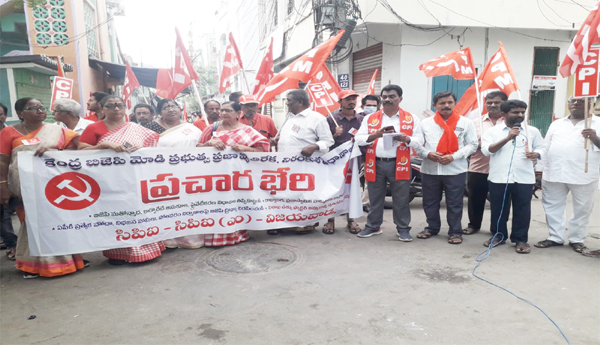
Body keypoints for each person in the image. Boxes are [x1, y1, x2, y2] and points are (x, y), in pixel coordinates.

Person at [0, 98, 88, 278]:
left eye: (42, 107)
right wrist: (3, 186)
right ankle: (35, 265)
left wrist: (58, 152)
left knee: (59, 221)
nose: (40, 111)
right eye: (33, 108)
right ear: (20, 113)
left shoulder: (56, 130)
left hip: (55, 187)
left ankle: (68, 260)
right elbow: (2, 161)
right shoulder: (9, 132)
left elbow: (80, 146)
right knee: (31, 224)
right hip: (24, 188)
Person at [78, 95, 165, 265]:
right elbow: (81, 149)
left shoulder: (135, 128)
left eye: (119, 105)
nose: (116, 109)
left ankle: (145, 251)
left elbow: (154, 150)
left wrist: (143, 149)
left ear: (125, 108)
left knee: (140, 214)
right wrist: (104, 146)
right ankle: (117, 253)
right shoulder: (94, 128)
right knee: (116, 215)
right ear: (102, 109)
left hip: (136, 179)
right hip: (109, 180)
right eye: (111, 106)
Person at [355, 85, 423, 241]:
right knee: (375, 197)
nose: (387, 99)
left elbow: (420, 140)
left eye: (392, 96)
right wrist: (376, 135)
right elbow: (359, 139)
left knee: (401, 198)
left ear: (400, 99)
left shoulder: (411, 118)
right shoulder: (370, 118)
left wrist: (408, 139)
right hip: (375, 163)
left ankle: (403, 228)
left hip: (400, 163)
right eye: (384, 96)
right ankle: (373, 226)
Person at [197, 101, 269, 246]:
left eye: (228, 110)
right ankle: (215, 237)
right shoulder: (212, 129)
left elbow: (263, 151)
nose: (223, 113)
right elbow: (197, 148)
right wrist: (208, 144)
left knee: (236, 206)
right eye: (222, 110)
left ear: (238, 114)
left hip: (239, 177)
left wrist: (245, 148)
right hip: (215, 177)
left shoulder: (248, 130)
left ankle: (237, 234)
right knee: (218, 205)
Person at [534, 97, 600, 254]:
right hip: (554, 172)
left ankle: (577, 239)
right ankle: (555, 237)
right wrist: (539, 170)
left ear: (591, 104)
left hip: (584, 174)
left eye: (581, 101)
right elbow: (546, 147)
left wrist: (594, 137)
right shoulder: (557, 124)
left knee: (582, 209)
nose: (576, 103)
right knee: (552, 206)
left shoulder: (597, 123)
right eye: (572, 100)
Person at [481, 100, 545, 254]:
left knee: (523, 210)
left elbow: (542, 148)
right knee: (498, 209)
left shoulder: (532, 131)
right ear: (503, 114)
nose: (520, 115)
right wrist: (507, 138)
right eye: (515, 112)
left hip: (523, 177)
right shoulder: (493, 132)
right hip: (499, 177)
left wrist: (537, 154)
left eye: (522, 112)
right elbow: (487, 150)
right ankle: (498, 235)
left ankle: (520, 239)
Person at [415, 91, 478, 244]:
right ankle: (432, 227)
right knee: (430, 201)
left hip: (455, 169)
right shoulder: (425, 123)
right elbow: (417, 144)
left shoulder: (466, 123)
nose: (446, 106)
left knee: (455, 202)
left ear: (455, 104)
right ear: (434, 105)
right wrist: (428, 154)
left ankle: (455, 231)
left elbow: (473, 144)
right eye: (442, 103)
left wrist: (453, 156)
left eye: (450, 102)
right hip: (430, 169)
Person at [269, 89, 335, 235]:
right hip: (285, 167)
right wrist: (276, 141)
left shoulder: (317, 118)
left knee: (302, 196)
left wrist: (314, 146)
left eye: (289, 100)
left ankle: (303, 225)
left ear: (300, 102)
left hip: (306, 167)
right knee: (284, 194)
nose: (287, 103)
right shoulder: (289, 118)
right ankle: (282, 223)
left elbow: (328, 141)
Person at [463, 91, 508, 235]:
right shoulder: (475, 123)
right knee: (475, 199)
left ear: (504, 103)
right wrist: (483, 145)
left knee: (500, 201)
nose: (493, 105)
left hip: (503, 169)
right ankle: (473, 225)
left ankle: (497, 229)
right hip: (478, 167)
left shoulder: (510, 122)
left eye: (497, 102)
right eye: (489, 102)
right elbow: (466, 143)